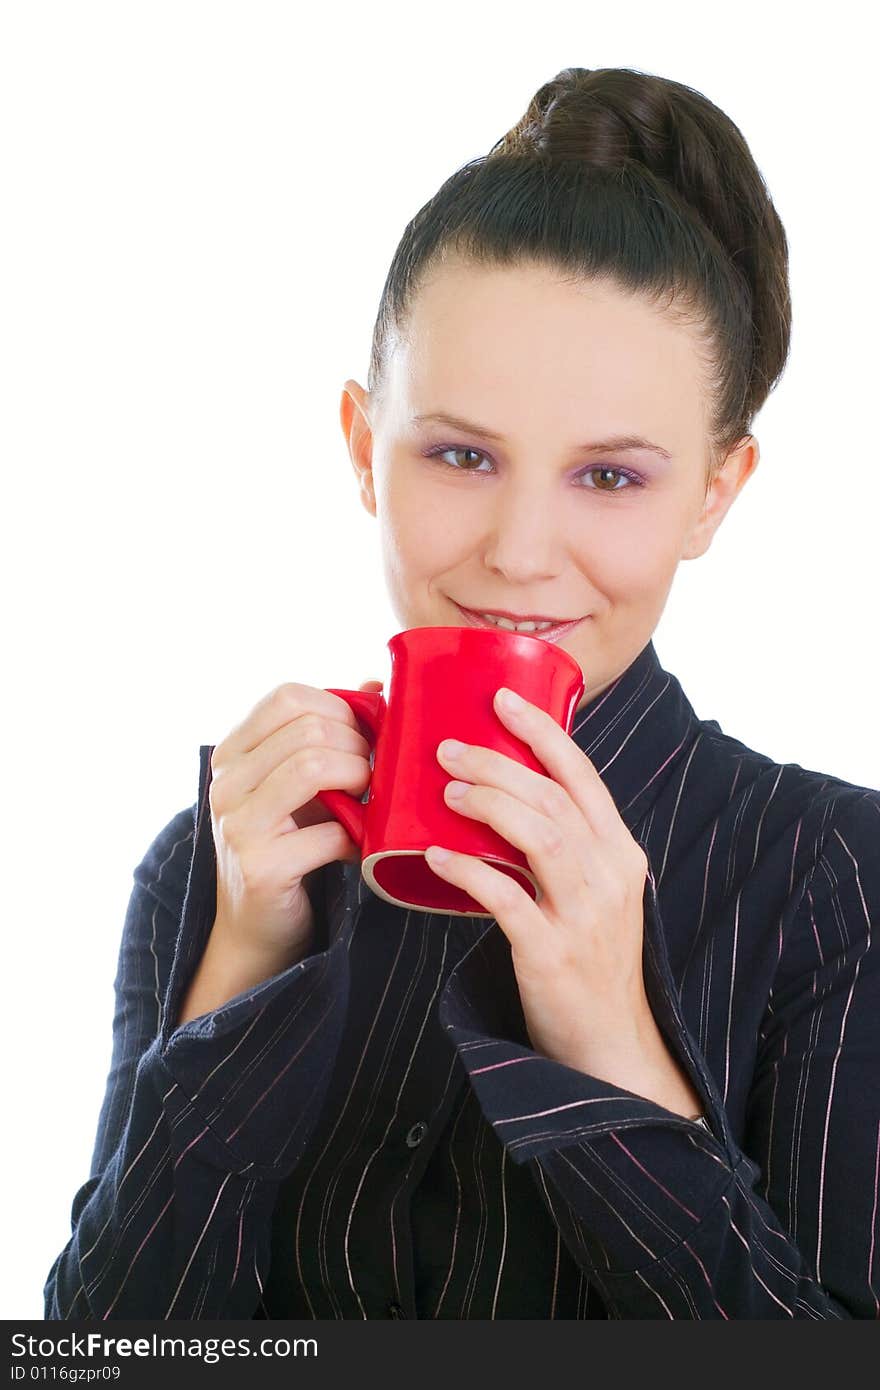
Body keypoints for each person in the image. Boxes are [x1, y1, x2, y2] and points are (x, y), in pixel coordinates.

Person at [44, 65, 880, 1320]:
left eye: (610, 479)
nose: (520, 551)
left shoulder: (836, 882)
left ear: (715, 491)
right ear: (359, 448)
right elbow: (93, 1352)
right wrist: (241, 968)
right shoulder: (210, 863)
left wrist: (616, 1055)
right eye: (459, 454)